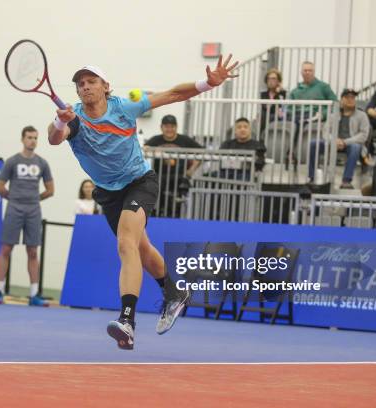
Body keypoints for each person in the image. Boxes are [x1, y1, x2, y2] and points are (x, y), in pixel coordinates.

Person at [47, 55, 239, 350]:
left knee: (126, 244)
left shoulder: (124, 107)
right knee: (141, 248)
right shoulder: (73, 117)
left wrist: (206, 83)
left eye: (91, 81)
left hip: (140, 182)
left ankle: (127, 321)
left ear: (105, 86)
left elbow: (172, 94)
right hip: (108, 193)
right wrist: (60, 121)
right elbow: (55, 139)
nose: (85, 87)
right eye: (80, 84)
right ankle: (174, 292)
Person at [0, 126, 55, 306]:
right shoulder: (12, 161)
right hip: (14, 208)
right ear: (22, 139)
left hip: (33, 210)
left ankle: (34, 294)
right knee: (6, 249)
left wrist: (35, 199)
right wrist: (13, 198)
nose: (32, 141)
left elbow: (51, 190)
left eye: (35, 138)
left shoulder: (42, 163)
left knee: (33, 251)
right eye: (29, 137)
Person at [308, 89, 370, 189]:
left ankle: (346, 181)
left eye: (352, 98)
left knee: (355, 147)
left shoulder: (362, 115)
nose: (350, 100)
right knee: (313, 144)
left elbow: (363, 135)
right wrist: (334, 141)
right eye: (347, 97)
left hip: (351, 144)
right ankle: (312, 177)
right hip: (333, 143)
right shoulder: (333, 115)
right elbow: (325, 132)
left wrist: (345, 142)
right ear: (341, 100)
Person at [144, 114, 202, 217]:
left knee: (176, 207)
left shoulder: (184, 140)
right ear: (161, 127)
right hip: (159, 178)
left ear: (176, 127)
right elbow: (143, 149)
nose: (169, 129)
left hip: (180, 178)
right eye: (166, 126)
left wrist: (190, 171)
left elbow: (203, 152)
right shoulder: (156, 139)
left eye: (172, 126)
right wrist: (150, 149)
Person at [286, 61, 337, 167]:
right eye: (305, 70)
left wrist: (323, 114)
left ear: (314, 72)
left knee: (299, 122)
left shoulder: (324, 87)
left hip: (314, 114)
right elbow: (289, 108)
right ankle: (290, 153)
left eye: (310, 70)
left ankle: (291, 153)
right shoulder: (295, 91)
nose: (307, 72)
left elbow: (335, 104)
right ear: (301, 72)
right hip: (297, 115)